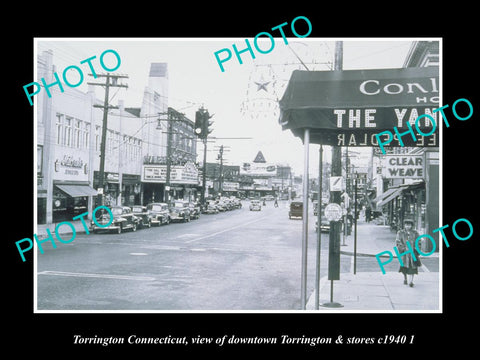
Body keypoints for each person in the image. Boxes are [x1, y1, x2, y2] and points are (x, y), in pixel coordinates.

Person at [395, 218, 422, 287]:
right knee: (404, 268)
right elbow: (398, 242)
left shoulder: (415, 233)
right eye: (406, 225)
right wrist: (403, 249)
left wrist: (416, 249)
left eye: (409, 225)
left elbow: (418, 242)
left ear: (411, 225)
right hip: (404, 254)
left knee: (412, 268)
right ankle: (405, 278)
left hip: (413, 254)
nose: (408, 226)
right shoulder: (400, 233)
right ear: (404, 225)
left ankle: (411, 281)